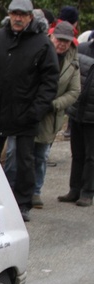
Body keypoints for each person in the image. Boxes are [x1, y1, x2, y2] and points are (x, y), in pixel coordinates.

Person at [0, 0, 59, 221]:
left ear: (30, 17)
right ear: (9, 14)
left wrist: (36, 110)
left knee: (25, 161)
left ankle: (23, 203)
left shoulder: (42, 44)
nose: (18, 18)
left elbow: (50, 82)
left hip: (26, 114)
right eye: (14, 13)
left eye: (23, 14)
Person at [30, 21, 80, 207]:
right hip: (30, 109)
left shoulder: (73, 64)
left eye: (66, 41)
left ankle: (35, 192)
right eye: (59, 39)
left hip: (51, 116)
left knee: (41, 155)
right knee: (18, 153)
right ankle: (16, 189)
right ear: (52, 37)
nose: (62, 44)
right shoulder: (38, 52)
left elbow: (74, 92)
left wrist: (54, 104)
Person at [59, 35, 94, 206]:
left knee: (91, 156)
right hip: (77, 111)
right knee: (77, 153)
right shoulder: (83, 49)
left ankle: (87, 192)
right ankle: (74, 189)